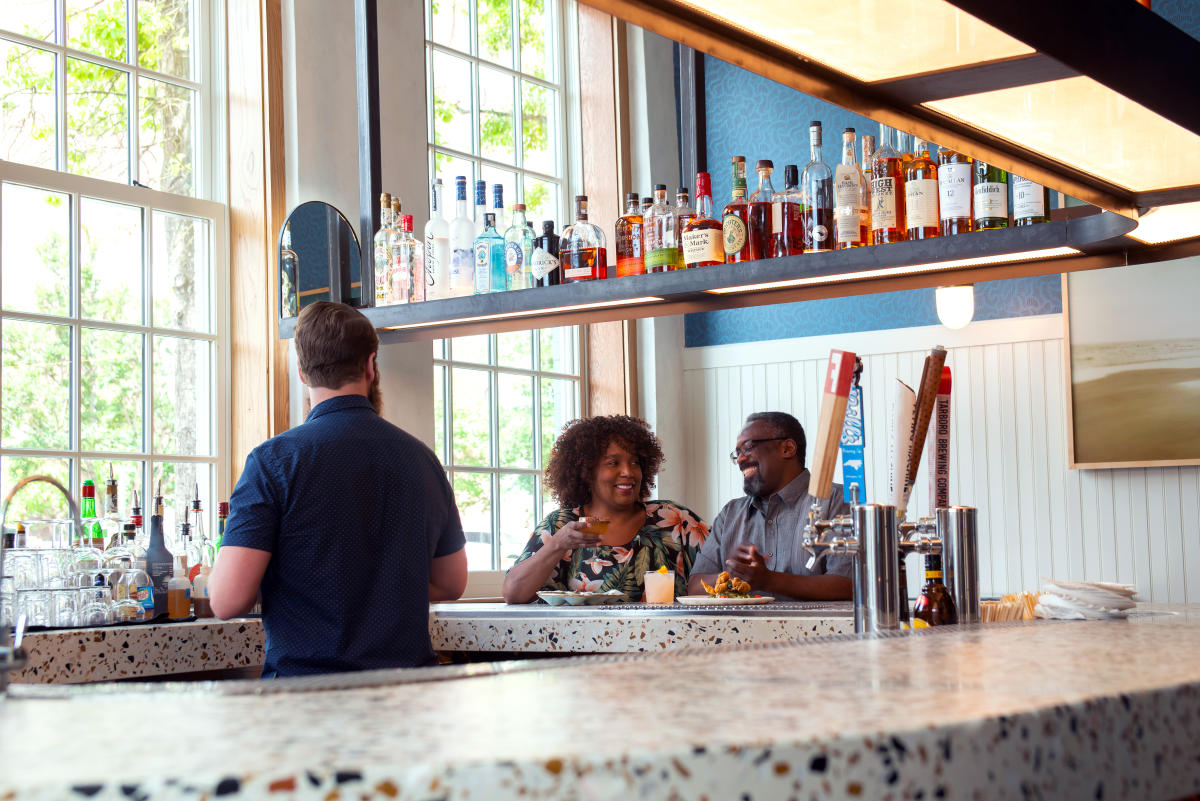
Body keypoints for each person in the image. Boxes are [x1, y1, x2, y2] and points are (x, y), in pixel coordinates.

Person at [209, 301, 467, 677]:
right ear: (370, 365)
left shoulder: (273, 461)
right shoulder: (422, 459)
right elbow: (452, 582)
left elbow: (227, 600)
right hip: (408, 696)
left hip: (308, 696)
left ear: (301, 371)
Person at [503, 415, 708, 604]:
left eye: (635, 462)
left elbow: (723, 577)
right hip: (582, 642)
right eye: (613, 463)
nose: (628, 472)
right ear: (586, 471)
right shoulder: (560, 525)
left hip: (670, 640)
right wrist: (558, 544)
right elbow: (513, 593)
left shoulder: (674, 519)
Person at [688, 412, 853, 601]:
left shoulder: (835, 500)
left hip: (821, 631)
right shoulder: (730, 515)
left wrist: (768, 580)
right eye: (737, 453)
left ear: (788, 448)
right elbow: (694, 586)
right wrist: (734, 577)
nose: (740, 460)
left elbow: (848, 584)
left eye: (748, 447)